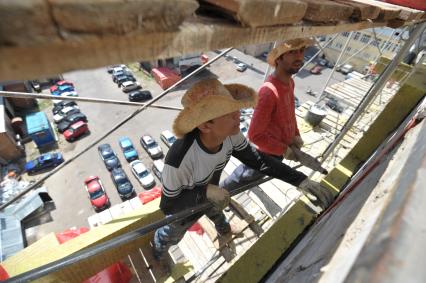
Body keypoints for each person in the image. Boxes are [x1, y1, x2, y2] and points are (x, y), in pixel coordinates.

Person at [152, 78, 333, 263]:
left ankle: (224, 229)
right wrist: (204, 191)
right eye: (230, 114)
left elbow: (257, 160)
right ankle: (158, 250)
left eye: (236, 110)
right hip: (184, 211)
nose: (239, 117)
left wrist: (299, 180)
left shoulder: (230, 135)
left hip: (212, 196)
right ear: (206, 125)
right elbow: (169, 205)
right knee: (171, 235)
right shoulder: (179, 159)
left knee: (217, 212)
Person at [222, 38, 317, 191]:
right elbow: (255, 135)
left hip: (279, 151)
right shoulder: (268, 92)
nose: (299, 57)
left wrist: (295, 136)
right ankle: (216, 200)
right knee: (241, 179)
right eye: (292, 52)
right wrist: (285, 150)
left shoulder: (290, 83)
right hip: (264, 154)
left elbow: (289, 113)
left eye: (301, 51)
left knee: (252, 179)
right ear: (279, 58)